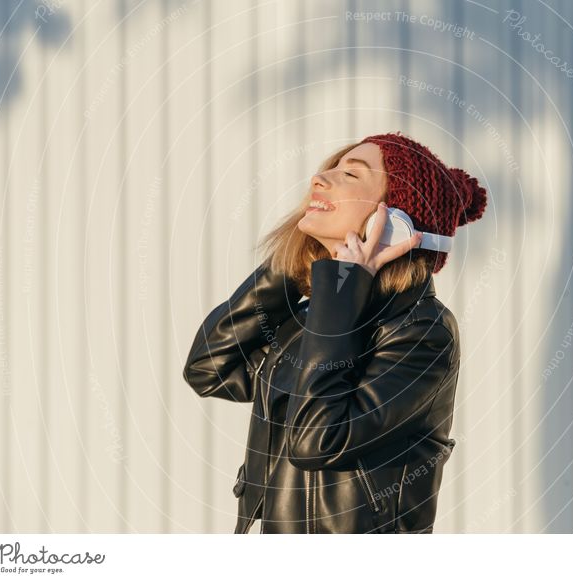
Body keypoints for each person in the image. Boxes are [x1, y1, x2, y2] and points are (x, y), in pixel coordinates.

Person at [183, 131, 487, 533]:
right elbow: (209, 366)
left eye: (351, 174)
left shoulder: (423, 331)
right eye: (330, 168)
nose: (320, 178)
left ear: (394, 222)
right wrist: (302, 264)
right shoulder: (312, 317)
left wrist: (340, 284)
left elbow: (316, 441)